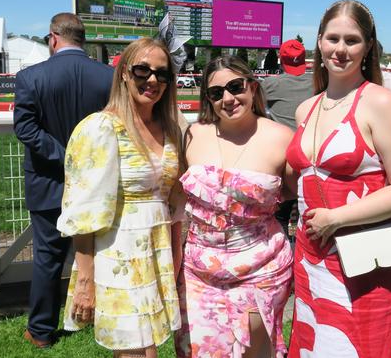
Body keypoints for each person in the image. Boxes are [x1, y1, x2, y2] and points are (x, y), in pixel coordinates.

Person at [285, 0, 391, 357]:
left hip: (362, 259)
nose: (341, 49)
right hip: (310, 255)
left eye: (352, 40)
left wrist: (337, 217)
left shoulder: (381, 103)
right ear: (319, 41)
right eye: (333, 38)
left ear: (368, 47)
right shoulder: (308, 108)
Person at [57, 37, 184, 357]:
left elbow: (172, 199)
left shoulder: (169, 129)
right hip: (118, 252)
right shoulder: (101, 127)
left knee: (146, 344)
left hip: (156, 249)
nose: (153, 80)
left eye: (162, 74)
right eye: (143, 70)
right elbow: (83, 210)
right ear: (125, 73)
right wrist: (85, 279)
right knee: (133, 348)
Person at [175, 56, 294, 358]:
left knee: (255, 353)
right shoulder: (193, 134)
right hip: (199, 272)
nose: (227, 98)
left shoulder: (281, 137)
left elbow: (298, 192)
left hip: (262, 269)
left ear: (252, 87)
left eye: (235, 87)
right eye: (216, 93)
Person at [13, 12, 113, 348]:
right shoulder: (108, 76)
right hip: (99, 181)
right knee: (103, 253)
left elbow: (26, 128)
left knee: (47, 258)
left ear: (53, 38)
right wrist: (81, 158)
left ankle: (41, 331)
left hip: (48, 180)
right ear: (81, 39)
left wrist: (62, 155)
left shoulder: (31, 76)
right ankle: (106, 319)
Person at [262, 39, 314, 239]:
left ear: (280, 60)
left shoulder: (271, 84)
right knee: (307, 213)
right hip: (310, 156)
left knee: (280, 215)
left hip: (283, 159)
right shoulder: (316, 82)